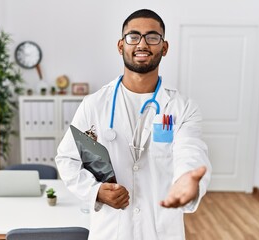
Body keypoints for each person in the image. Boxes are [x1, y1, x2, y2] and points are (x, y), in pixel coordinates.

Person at [55, 9, 211, 240]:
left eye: (152, 37)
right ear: (121, 45)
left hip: (160, 229)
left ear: (164, 47)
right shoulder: (94, 105)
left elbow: (189, 150)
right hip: (111, 228)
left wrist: (187, 179)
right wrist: (95, 191)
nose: (142, 44)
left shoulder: (182, 107)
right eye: (133, 36)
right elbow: (67, 159)